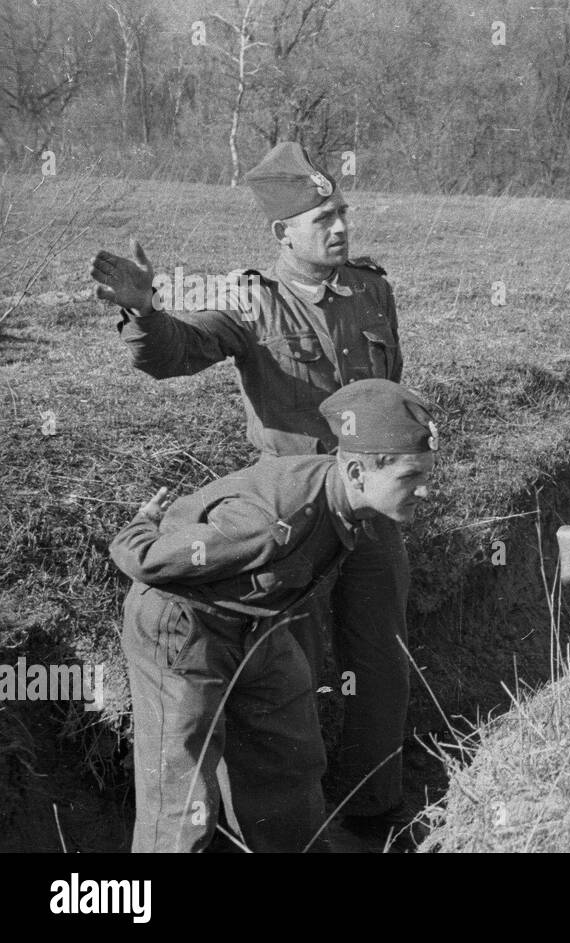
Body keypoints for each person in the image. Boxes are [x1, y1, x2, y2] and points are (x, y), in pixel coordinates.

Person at [90, 142, 413, 839]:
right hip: (293, 519)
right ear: (282, 233)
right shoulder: (252, 302)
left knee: (380, 658)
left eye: (343, 213)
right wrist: (146, 312)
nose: (340, 227)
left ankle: (374, 805)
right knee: (291, 677)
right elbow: (178, 352)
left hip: (368, 509)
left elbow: (389, 396)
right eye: (323, 217)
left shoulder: (372, 290)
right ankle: (271, 822)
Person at [110, 379, 437, 853]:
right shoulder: (272, 522)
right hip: (181, 625)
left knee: (290, 760)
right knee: (181, 798)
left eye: (427, 473)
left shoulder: (346, 499)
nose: (425, 491)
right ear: (357, 471)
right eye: (412, 478)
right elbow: (146, 559)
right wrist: (141, 523)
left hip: (257, 623)